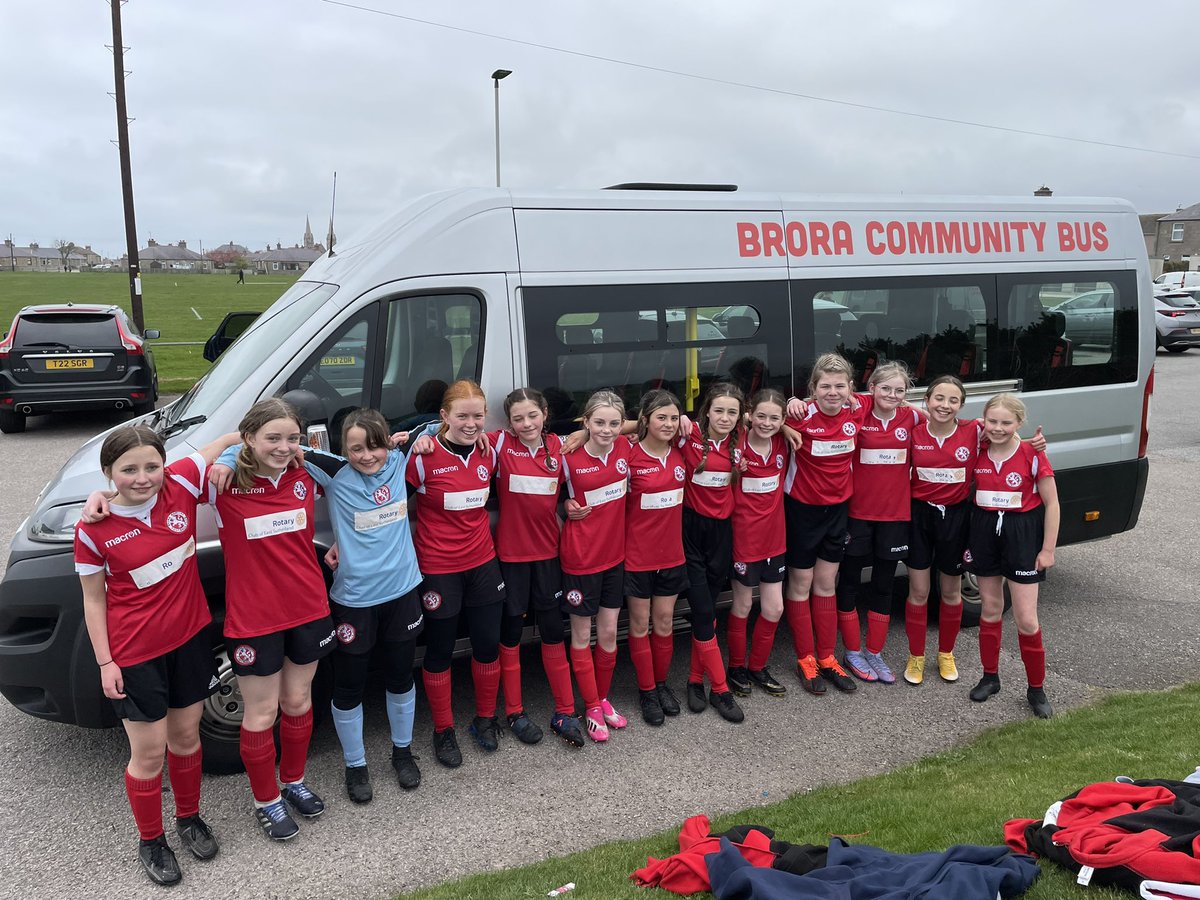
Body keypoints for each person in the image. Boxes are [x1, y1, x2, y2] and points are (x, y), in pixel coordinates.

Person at [214, 408, 425, 804]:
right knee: (349, 687)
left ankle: (402, 752)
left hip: (403, 591)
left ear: (389, 442)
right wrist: (227, 458)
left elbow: (435, 426)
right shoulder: (328, 468)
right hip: (354, 599)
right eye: (356, 448)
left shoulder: (401, 458)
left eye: (375, 445)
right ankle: (355, 765)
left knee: (400, 679)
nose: (368, 455)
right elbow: (255, 446)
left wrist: (424, 436)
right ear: (342, 450)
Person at [75, 426, 238, 886]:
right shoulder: (93, 527)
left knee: (186, 739)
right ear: (109, 473)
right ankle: (152, 839)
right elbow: (93, 599)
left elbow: (224, 442)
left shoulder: (182, 482)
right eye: (128, 470)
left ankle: (189, 817)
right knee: (148, 755)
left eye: (152, 466)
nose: (143, 478)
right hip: (135, 654)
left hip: (188, 641)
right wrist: (106, 662)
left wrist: (233, 448)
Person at [211, 398, 336, 841]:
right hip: (254, 618)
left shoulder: (306, 473)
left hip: (307, 608)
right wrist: (228, 449)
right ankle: (266, 801)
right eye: (273, 438)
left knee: (299, 703)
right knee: (261, 714)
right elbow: (158, 478)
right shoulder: (224, 482)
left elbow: (368, 467)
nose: (284, 447)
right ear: (250, 438)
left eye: (292, 438)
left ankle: (294, 781)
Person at [406, 380, 507, 764]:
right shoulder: (421, 456)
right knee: (439, 650)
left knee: (486, 644)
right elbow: (392, 506)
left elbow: (538, 433)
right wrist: (418, 436)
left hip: (483, 562)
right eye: (462, 416)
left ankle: (484, 719)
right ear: (443, 416)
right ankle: (443, 730)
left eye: (478, 416)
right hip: (438, 567)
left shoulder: (489, 450)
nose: (471, 423)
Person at [489, 388, 583, 748]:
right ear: (509, 422)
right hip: (511, 558)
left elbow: (616, 427)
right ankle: (514, 711)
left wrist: (588, 431)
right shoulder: (498, 444)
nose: (526, 423)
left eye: (532, 415)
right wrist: (424, 439)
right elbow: (456, 431)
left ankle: (565, 711)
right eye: (517, 418)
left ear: (545, 413)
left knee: (551, 631)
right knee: (510, 635)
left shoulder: (561, 446)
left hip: (548, 555)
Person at [965, 393, 1059, 718]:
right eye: (992, 421)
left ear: (1019, 423)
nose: (998, 428)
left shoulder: (1032, 452)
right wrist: (978, 427)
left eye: (1006, 422)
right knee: (990, 608)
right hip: (985, 530)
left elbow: (1053, 504)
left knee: (1026, 618)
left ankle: (1036, 689)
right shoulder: (977, 448)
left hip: (1022, 534)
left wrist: (1047, 549)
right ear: (983, 421)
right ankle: (990, 678)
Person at [836, 362, 922, 685]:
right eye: (885, 388)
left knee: (884, 584)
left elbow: (947, 425)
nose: (892, 395)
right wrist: (792, 403)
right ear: (871, 388)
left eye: (899, 390)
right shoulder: (857, 412)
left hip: (895, 517)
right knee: (849, 581)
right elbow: (829, 399)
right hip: (858, 514)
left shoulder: (912, 417)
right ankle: (852, 650)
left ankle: (874, 650)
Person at [782, 353, 863, 696]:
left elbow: (898, 400)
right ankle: (805, 659)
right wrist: (787, 417)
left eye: (840, 386)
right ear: (812, 389)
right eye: (825, 386)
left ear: (851, 389)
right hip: (803, 510)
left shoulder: (858, 410)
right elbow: (750, 415)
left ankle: (828, 657)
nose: (833, 392)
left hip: (838, 510)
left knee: (826, 583)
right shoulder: (799, 415)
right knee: (801, 583)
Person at [560, 390, 632, 741]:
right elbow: (548, 498)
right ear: (585, 421)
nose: (607, 430)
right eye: (598, 423)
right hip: (580, 559)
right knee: (581, 634)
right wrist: (564, 507)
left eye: (614, 423)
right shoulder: (567, 456)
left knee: (607, 633)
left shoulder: (626, 448)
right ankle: (589, 706)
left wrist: (624, 426)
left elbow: (648, 423)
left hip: (615, 557)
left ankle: (602, 699)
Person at [902, 375, 979, 686]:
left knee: (950, 591)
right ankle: (916, 655)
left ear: (960, 405)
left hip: (957, 518)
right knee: (919, 591)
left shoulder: (975, 430)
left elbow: (1008, 436)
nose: (944, 405)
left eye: (952, 400)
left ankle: (946, 653)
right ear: (927, 401)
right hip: (919, 515)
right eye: (939, 398)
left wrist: (1033, 445)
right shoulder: (913, 432)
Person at [676, 382, 745, 722]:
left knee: (708, 613)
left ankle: (693, 679)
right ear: (706, 412)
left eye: (732, 412)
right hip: (689, 531)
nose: (725, 417)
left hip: (722, 534)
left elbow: (774, 421)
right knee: (702, 610)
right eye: (719, 410)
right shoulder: (687, 435)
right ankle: (721, 689)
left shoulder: (742, 441)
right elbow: (639, 423)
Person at [623, 389, 691, 726]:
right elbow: (601, 432)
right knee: (639, 624)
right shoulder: (628, 454)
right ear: (645, 420)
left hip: (672, 555)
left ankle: (661, 685)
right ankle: (646, 690)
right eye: (660, 417)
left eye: (674, 418)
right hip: (637, 557)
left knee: (664, 623)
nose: (668, 424)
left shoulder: (682, 451)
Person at [726, 388, 791, 697]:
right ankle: (736, 667)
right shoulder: (734, 443)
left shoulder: (783, 442)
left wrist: (788, 424)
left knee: (775, 608)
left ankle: (757, 666)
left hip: (775, 539)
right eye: (761, 416)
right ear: (749, 414)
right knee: (740, 604)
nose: (767, 423)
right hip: (743, 539)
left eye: (775, 418)